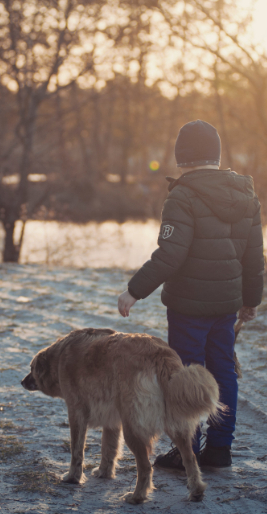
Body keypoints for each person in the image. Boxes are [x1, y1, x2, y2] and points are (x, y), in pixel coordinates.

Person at [118, 119, 265, 469]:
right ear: (215, 155)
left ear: (182, 157)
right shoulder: (246, 194)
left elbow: (170, 254)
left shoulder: (182, 195)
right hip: (227, 304)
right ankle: (219, 450)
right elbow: (254, 256)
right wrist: (251, 299)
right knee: (223, 370)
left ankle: (188, 450)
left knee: (186, 373)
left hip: (188, 306)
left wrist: (134, 291)